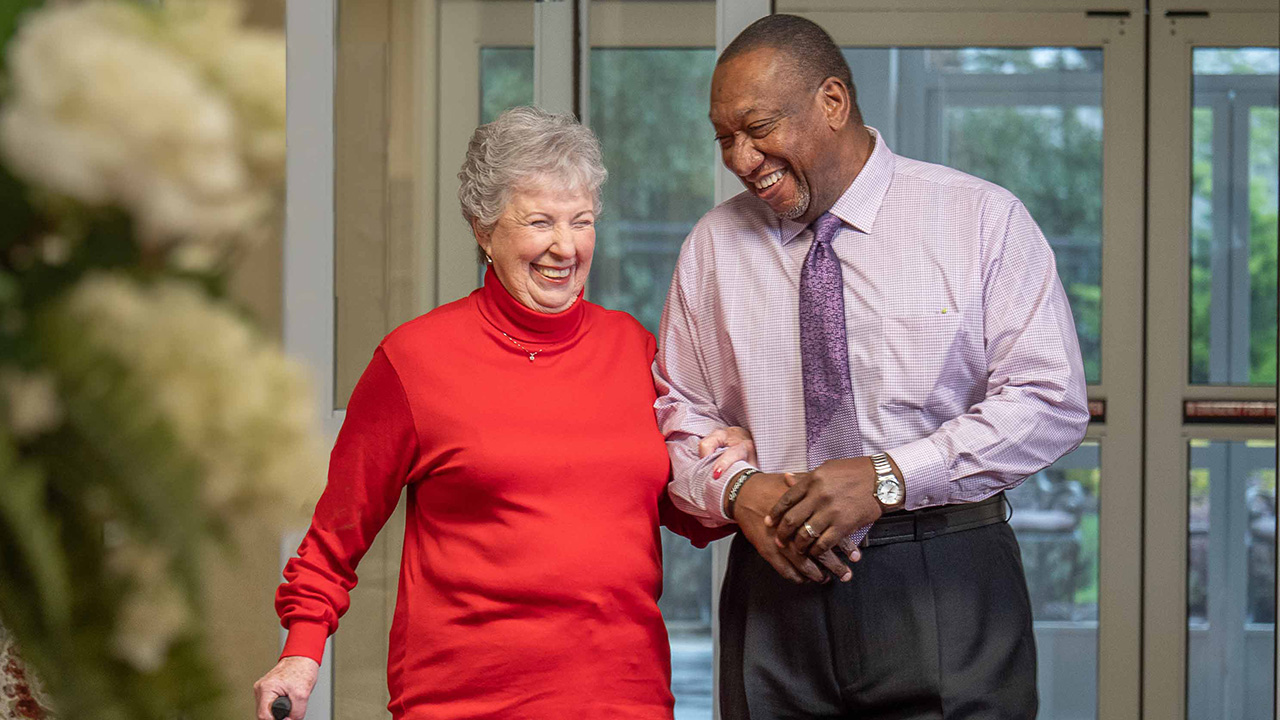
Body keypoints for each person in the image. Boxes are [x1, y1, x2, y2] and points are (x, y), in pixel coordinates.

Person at [253, 106, 757, 720]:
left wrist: (726, 463)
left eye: (582, 221)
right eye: (539, 222)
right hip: (464, 704)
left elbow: (678, 512)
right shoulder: (414, 361)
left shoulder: (632, 349)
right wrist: (301, 651)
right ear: (483, 230)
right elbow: (335, 538)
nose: (565, 246)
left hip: (624, 700)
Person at [655, 15, 1090, 719]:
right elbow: (679, 411)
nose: (739, 157)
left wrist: (889, 476)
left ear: (832, 102)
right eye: (724, 137)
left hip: (945, 574)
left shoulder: (980, 219)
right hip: (774, 585)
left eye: (758, 127)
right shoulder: (714, 246)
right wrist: (737, 490)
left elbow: (1050, 400)